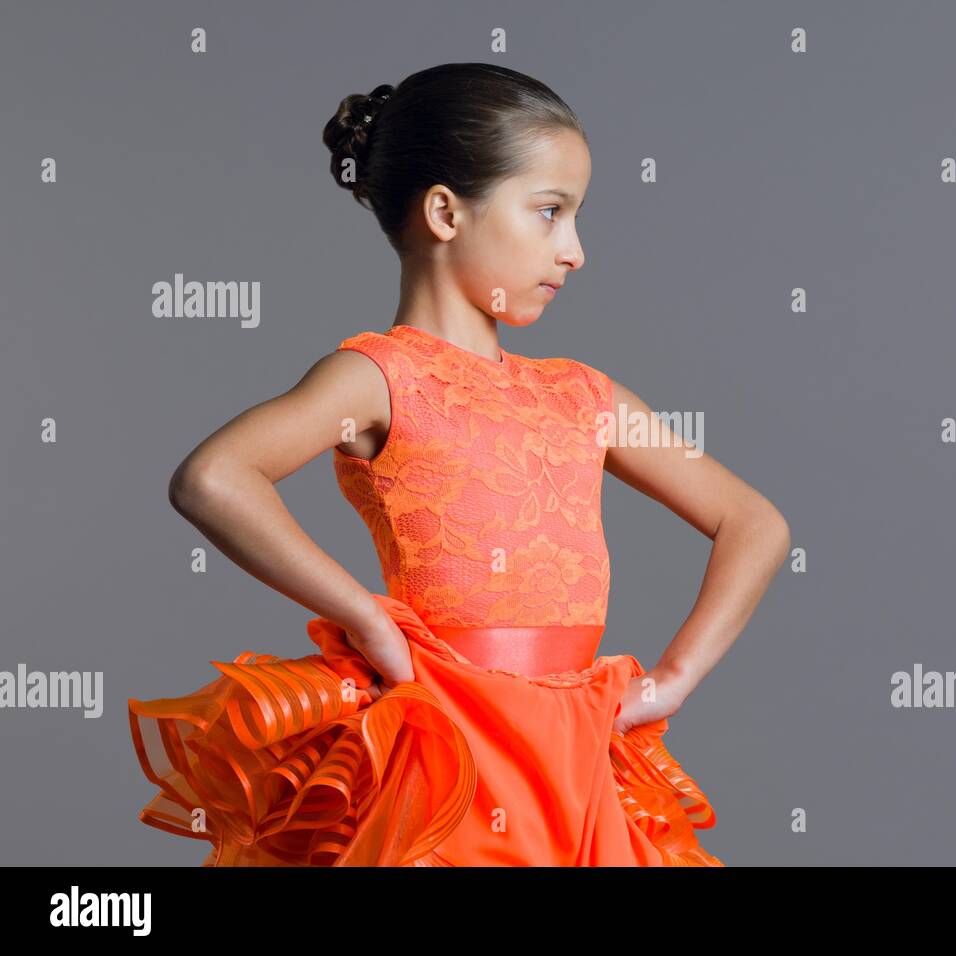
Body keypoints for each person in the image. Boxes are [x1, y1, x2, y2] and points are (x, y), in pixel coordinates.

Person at [126, 62, 790, 866]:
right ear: (445, 211)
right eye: (549, 213)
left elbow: (753, 522)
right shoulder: (379, 379)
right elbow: (213, 477)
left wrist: (676, 675)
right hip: (446, 747)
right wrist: (366, 616)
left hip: (579, 755)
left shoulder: (584, 396)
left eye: (574, 217)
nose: (574, 250)